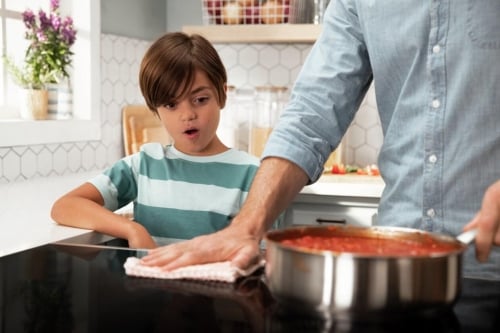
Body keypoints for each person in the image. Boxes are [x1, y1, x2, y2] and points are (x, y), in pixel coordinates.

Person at [51, 32, 266, 248]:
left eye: (200, 100)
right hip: (147, 282)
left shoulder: (253, 174)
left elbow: (263, 255)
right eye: (171, 105)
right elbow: (65, 206)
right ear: (156, 109)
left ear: (222, 94)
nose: (187, 115)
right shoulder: (143, 165)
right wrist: (132, 229)